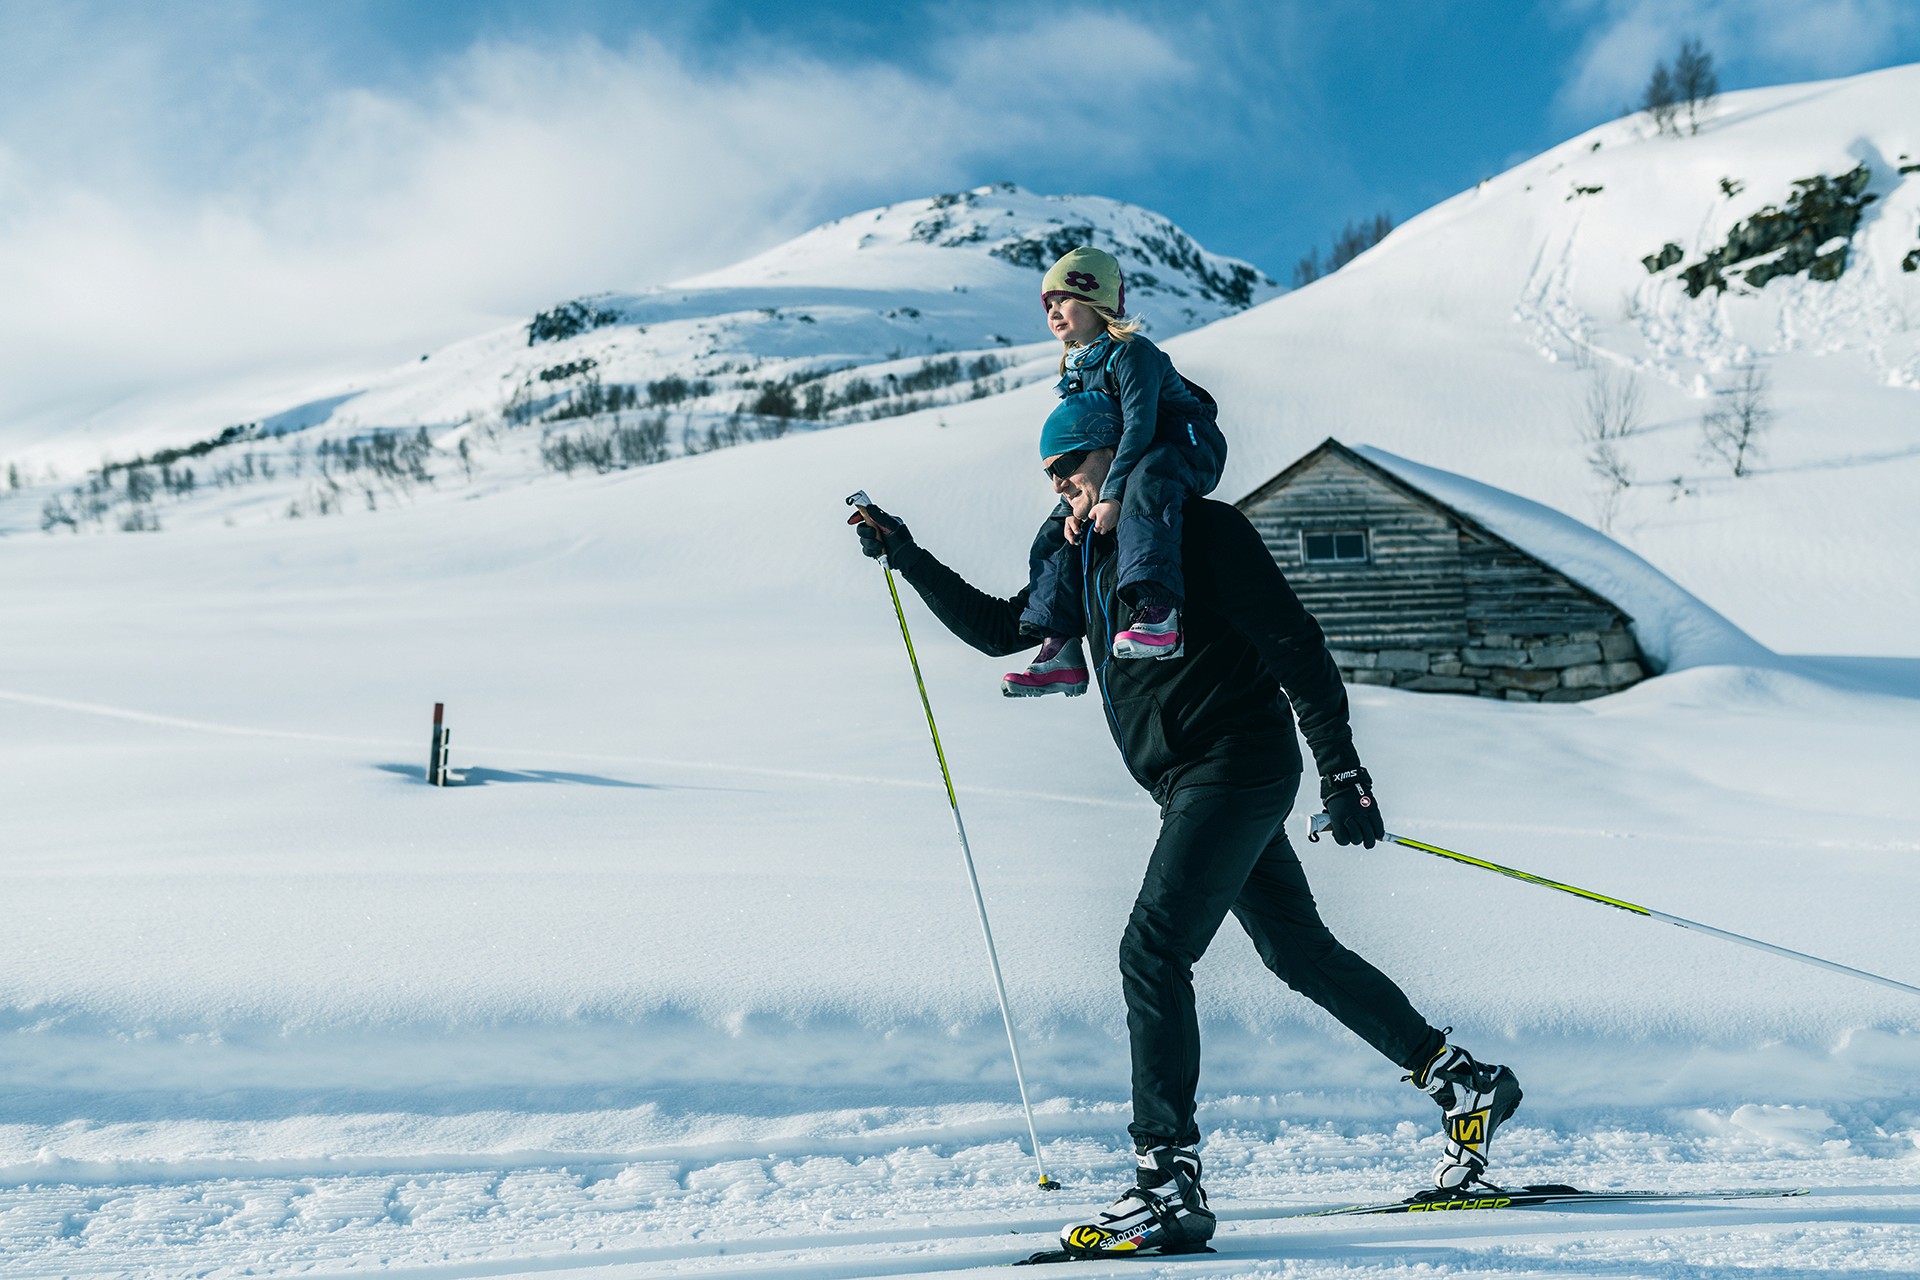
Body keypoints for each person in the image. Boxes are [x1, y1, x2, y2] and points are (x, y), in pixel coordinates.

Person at [847, 454, 1523, 1259]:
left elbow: (1294, 644)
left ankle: (1166, 1182)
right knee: (1297, 951)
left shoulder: (1196, 531)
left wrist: (1342, 770)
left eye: (1070, 462)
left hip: (1235, 763)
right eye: (1047, 469)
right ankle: (1462, 1081)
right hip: (1191, 783)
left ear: (1120, 453)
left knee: (1153, 949)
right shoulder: (1087, 554)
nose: (1057, 480)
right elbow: (1004, 629)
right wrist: (908, 555)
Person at [1001, 246, 1227, 698]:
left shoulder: (1131, 353)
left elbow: (1139, 427)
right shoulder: (1080, 366)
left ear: (1097, 301)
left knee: (1147, 481)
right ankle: (1060, 648)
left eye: (1064, 299)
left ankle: (1158, 610)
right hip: (1136, 455)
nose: (1053, 311)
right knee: (1057, 529)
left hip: (1185, 444)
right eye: (1048, 303)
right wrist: (1079, 507)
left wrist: (1113, 495)